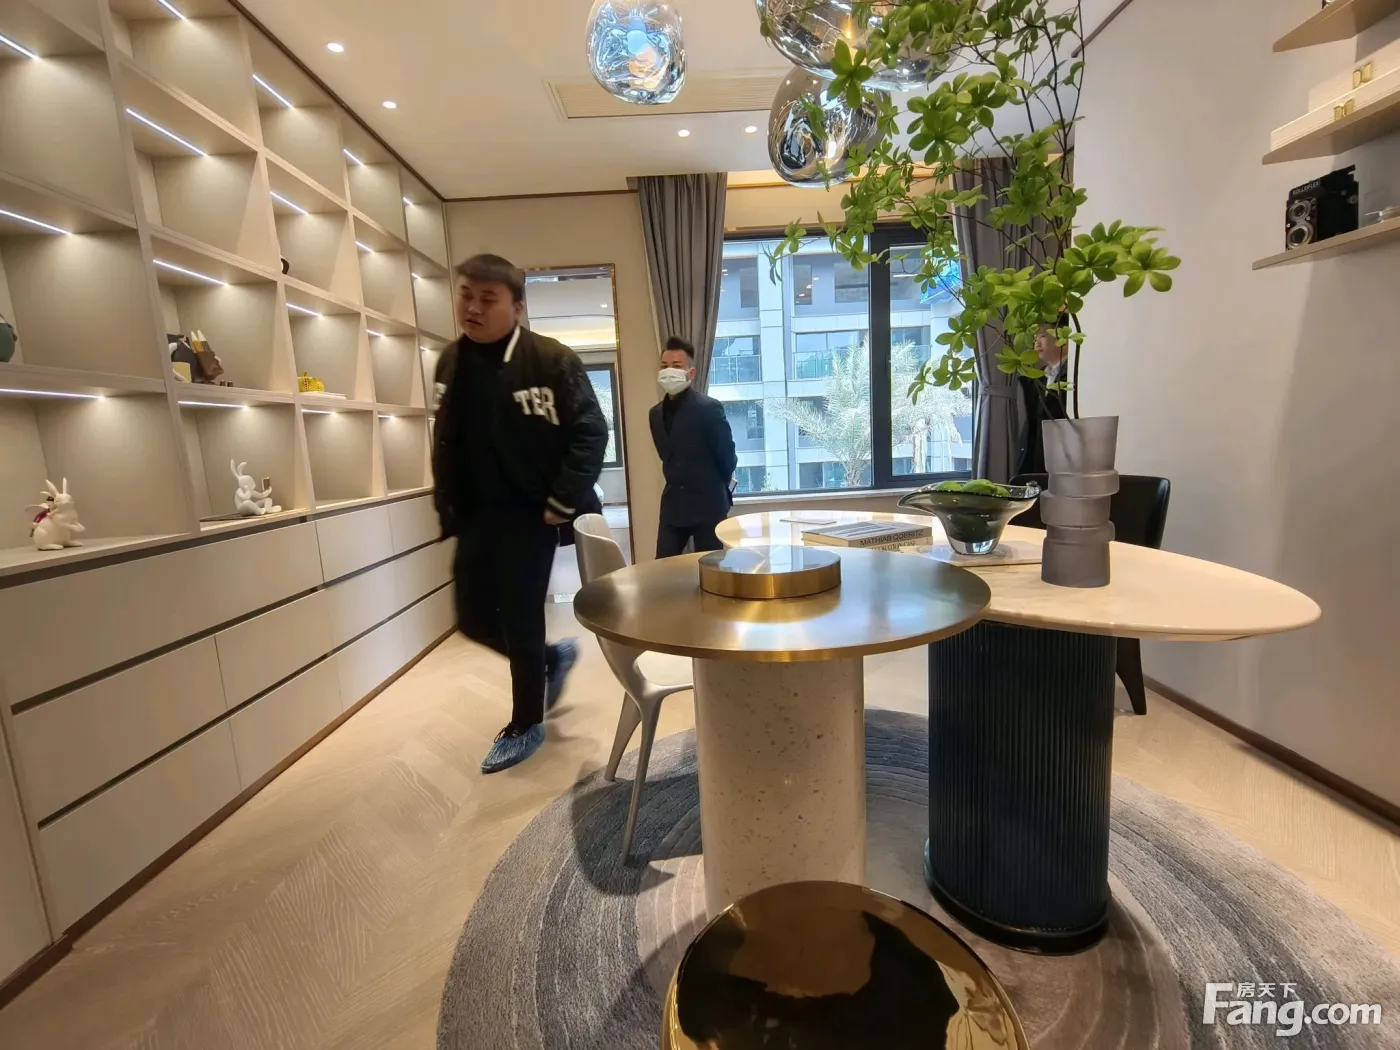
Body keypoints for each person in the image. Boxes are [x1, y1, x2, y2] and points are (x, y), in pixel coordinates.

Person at [432, 254, 608, 774]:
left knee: (520, 617)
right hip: (475, 514)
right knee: (471, 618)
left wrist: (561, 500)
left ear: (517, 307)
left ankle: (525, 722)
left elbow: (591, 431)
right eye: (466, 294)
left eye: (488, 298)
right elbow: (447, 440)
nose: (473, 307)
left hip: (532, 515)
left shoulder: (550, 360)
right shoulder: (450, 361)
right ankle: (553, 659)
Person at [650, 336, 738, 558]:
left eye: (676, 366)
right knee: (662, 567)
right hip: (673, 506)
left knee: (710, 567)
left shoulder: (709, 408)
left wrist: (713, 485)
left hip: (708, 504)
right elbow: (667, 456)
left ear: (691, 373)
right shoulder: (655, 414)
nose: (669, 371)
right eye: (664, 366)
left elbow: (728, 458)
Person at [1017, 314, 1071, 476]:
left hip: (1064, 457)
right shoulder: (1037, 378)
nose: (1037, 343)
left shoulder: (1074, 372)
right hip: (1039, 456)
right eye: (1035, 338)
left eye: (1043, 336)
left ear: (1063, 338)